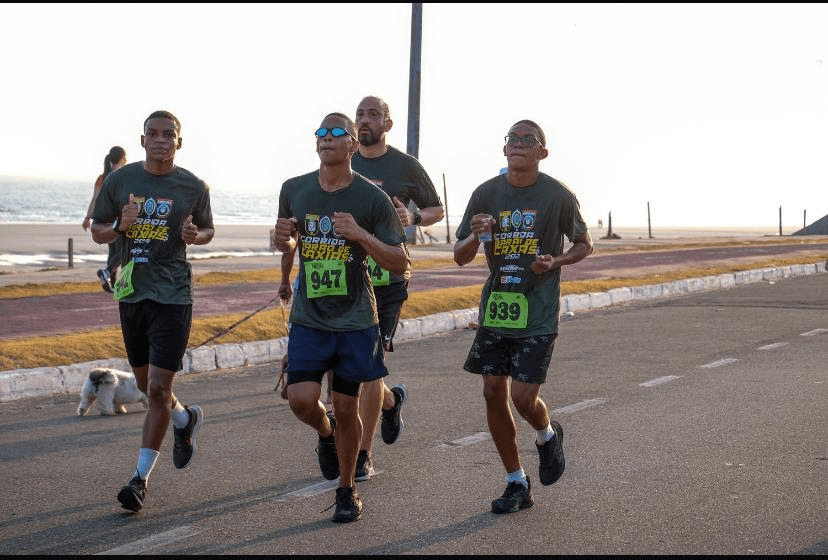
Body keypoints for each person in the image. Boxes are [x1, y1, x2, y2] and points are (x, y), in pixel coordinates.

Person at [272, 112, 409, 523]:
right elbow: (289, 238)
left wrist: (362, 236)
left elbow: (400, 261)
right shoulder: (294, 189)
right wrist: (281, 238)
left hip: (354, 320)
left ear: (352, 144)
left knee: (348, 406)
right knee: (299, 399)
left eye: (336, 133)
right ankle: (325, 433)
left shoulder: (370, 198)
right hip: (310, 316)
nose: (326, 138)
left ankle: (347, 489)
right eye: (321, 132)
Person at [453, 119, 593, 514]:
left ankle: (547, 435)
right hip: (497, 308)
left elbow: (585, 245)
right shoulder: (485, 193)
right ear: (504, 150)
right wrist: (475, 234)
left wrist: (556, 261)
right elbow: (460, 257)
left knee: (522, 397)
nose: (517, 144)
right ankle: (516, 482)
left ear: (541, 152)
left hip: (538, 310)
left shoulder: (557, 196)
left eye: (526, 139)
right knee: (492, 392)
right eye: (511, 139)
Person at [91, 110, 215, 513]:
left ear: (179, 141)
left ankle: (139, 480)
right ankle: (184, 421)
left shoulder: (193, 186)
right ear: (143, 140)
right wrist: (120, 228)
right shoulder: (119, 181)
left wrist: (196, 236)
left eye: (169, 134)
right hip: (132, 294)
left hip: (174, 295)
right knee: (147, 389)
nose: (161, 140)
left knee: (159, 388)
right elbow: (97, 231)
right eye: (153, 134)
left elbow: (209, 229)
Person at [349, 95, 444, 481]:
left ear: (387, 124)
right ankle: (390, 402)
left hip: (387, 277)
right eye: (360, 114)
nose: (365, 120)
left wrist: (414, 215)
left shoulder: (406, 166)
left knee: (369, 368)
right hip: (345, 274)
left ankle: (363, 454)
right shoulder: (342, 160)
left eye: (374, 115)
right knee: (355, 366)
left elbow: (436, 209)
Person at [83, 146, 127, 293]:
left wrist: (87, 218)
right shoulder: (121, 176)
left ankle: (114, 286)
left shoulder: (101, 178)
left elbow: (94, 199)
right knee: (124, 252)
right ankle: (107, 272)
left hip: (104, 221)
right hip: (118, 221)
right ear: (122, 159)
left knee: (113, 252)